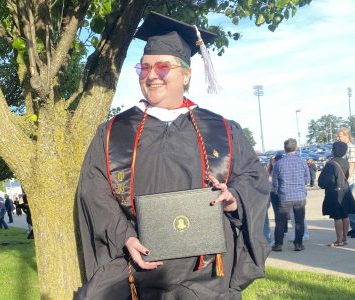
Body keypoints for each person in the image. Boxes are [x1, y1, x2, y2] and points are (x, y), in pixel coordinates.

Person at [76, 12, 270, 300]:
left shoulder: (223, 130)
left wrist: (233, 200)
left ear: (186, 74)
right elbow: (94, 192)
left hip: (207, 276)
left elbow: (253, 181)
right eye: (144, 67)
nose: (152, 74)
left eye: (163, 67)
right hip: (138, 270)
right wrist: (125, 237)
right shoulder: (113, 133)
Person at [272, 138, 310, 252]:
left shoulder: (279, 163)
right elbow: (307, 179)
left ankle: (278, 245)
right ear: (296, 147)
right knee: (299, 221)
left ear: (284, 149)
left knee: (280, 222)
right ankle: (298, 244)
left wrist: (278, 192)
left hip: (284, 196)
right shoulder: (302, 162)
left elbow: (275, 182)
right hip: (299, 196)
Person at [318, 141, 355, 246]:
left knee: (337, 217)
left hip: (334, 193)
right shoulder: (346, 162)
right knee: (345, 215)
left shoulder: (331, 164)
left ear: (335, 150)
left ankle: (339, 240)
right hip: (345, 191)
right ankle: (344, 238)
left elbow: (323, 182)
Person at [336, 127, 355, 238]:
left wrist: (347, 178)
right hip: (344, 179)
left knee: (349, 204)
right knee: (347, 204)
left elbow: (352, 164)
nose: (338, 137)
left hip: (349, 180)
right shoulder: (341, 147)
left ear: (346, 136)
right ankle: (353, 227)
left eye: (340, 135)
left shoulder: (351, 148)